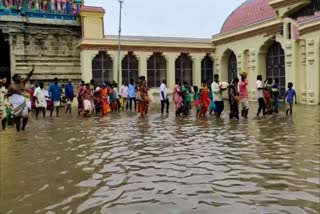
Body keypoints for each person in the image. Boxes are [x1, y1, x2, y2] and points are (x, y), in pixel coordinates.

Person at [6, 66, 34, 132]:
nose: (19, 77)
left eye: (19, 76)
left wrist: (32, 70)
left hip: (23, 101)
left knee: (25, 116)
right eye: (18, 76)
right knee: (17, 117)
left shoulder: (22, 82)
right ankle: (18, 132)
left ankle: (23, 128)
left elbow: (28, 76)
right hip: (16, 102)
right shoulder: (11, 85)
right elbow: (7, 95)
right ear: (14, 79)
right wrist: (14, 91)